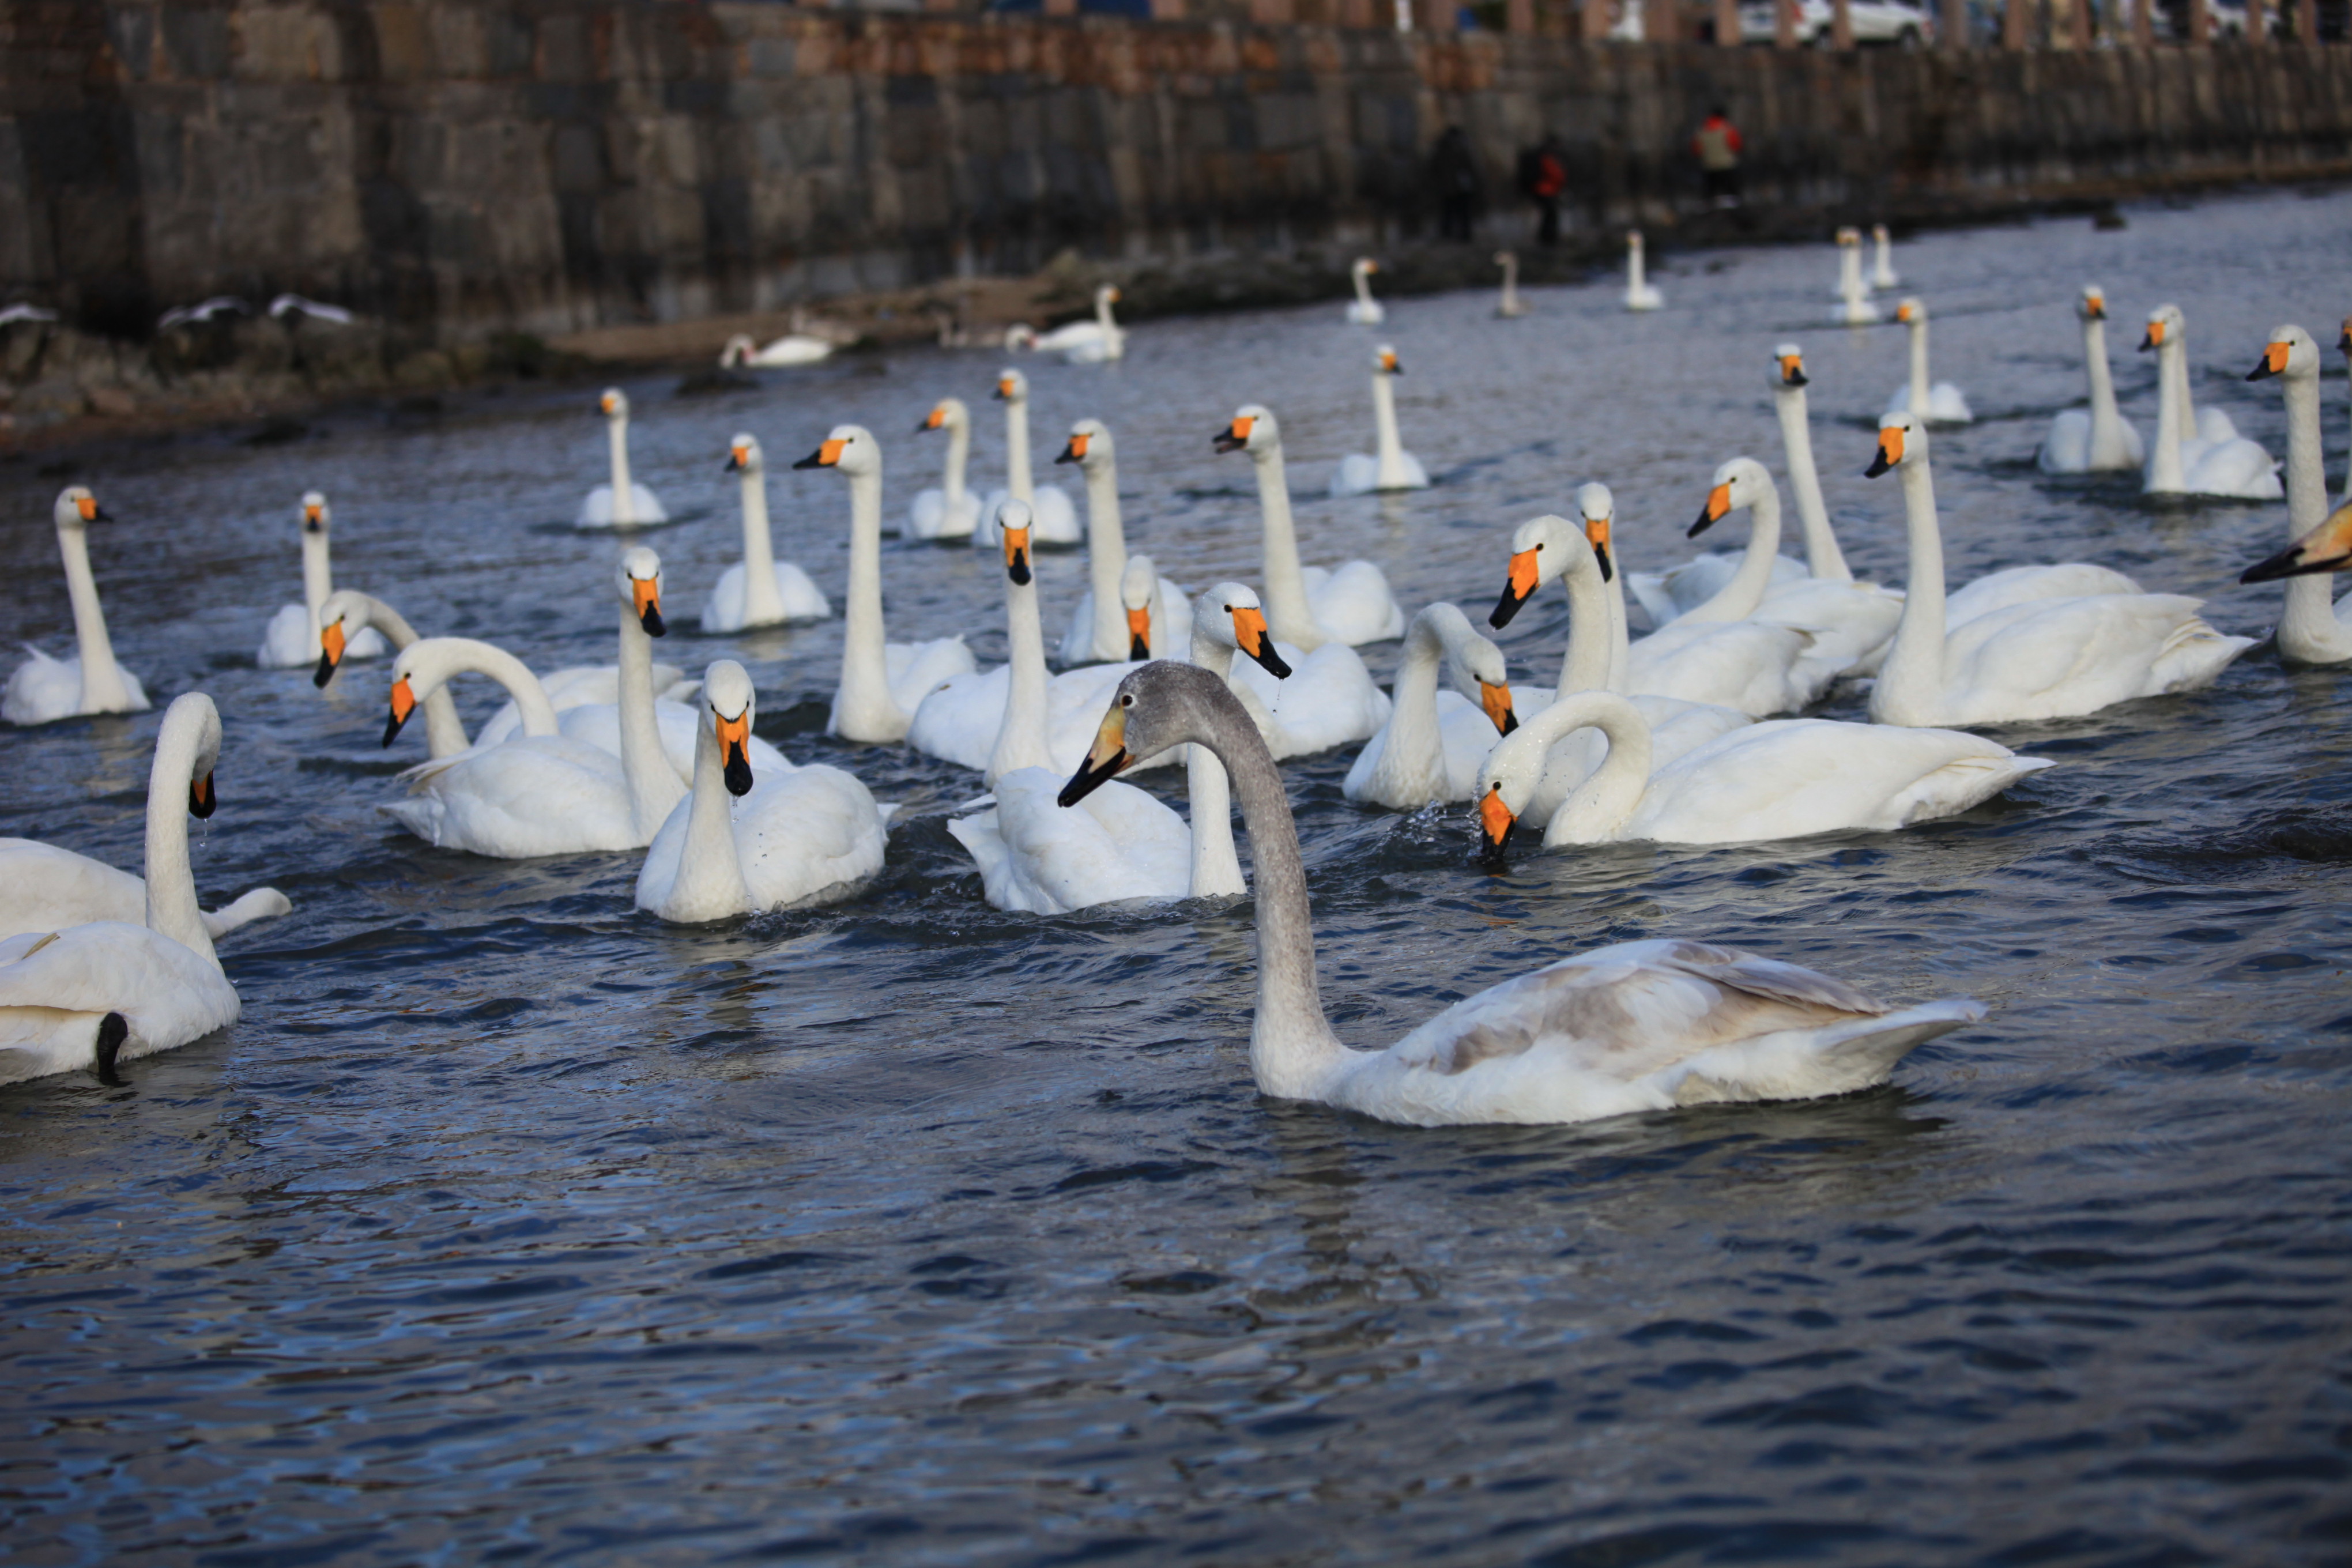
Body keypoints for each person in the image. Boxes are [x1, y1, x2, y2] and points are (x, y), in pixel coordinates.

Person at [1430, 126, 1481, 243]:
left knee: (1452, 212)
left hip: (1452, 187)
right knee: (1455, 213)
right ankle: (1458, 235)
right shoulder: (1461, 148)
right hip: (1457, 187)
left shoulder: (1442, 149)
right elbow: (1472, 168)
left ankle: (1453, 235)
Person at [1517, 138, 1568, 248]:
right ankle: (1548, 239)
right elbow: (1556, 175)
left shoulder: (1541, 155)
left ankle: (1546, 238)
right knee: (1551, 214)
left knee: (1548, 214)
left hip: (1541, 189)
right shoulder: (1547, 157)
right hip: (1545, 189)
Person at [1692, 105, 1743, 209]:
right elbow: (1736, 146)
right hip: (1727, 165)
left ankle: (1707, 208)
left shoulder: (1702, 130)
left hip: (1709, 165)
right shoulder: (1728, 129)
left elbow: (1696, 150)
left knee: (1709, 192)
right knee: (1733, 193)